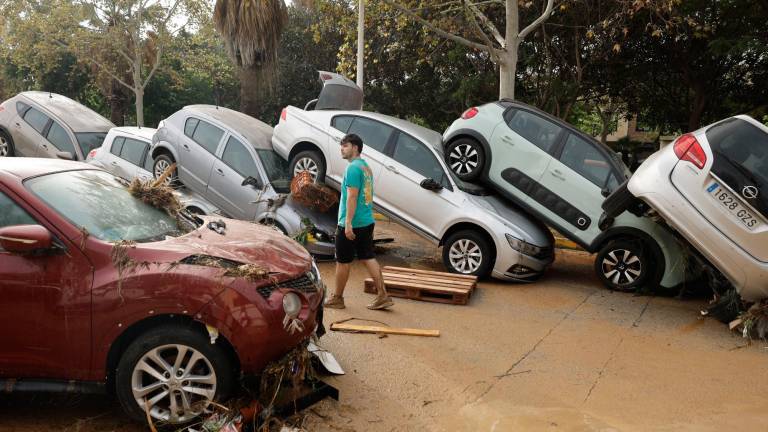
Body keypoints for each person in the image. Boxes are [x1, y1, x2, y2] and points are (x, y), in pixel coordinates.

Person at [324, 134, 393, 310]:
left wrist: (347, 223)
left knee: (342, 261)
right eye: (341, 145)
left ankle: (337, 298)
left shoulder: (353, 169)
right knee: (368, 257)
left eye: (345, 145)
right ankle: (383, 295)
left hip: (352, 223)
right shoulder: (366, 168)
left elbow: (352, 197)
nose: (342, 148)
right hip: (366, 220)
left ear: (355, 147)